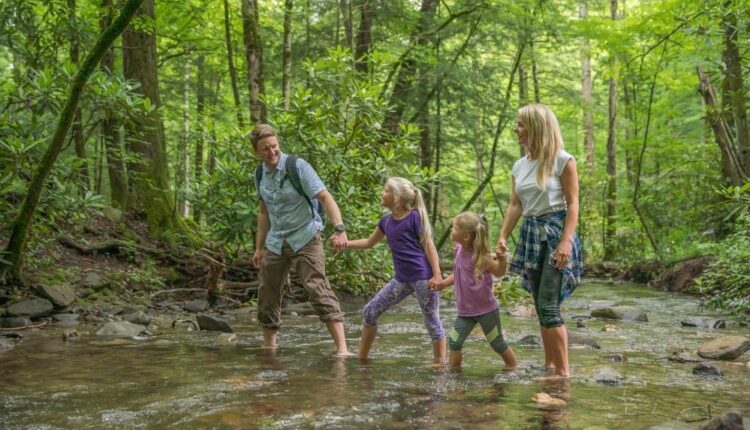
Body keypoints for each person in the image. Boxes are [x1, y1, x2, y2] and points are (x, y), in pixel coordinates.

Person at [496, 103, 583, 378]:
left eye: (521, 125)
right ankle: (549, 366)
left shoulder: (562, 160)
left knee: (548, 304)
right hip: (531, 234)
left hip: (556, 233)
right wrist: (502, 236)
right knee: (538, 303)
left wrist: (566, 242)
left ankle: (564, 374)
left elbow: (573, 203)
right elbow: (515, 205)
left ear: (537, 128)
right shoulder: (519, 165)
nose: (516, 129)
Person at [251, 124, 350, 356]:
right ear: (256, 151)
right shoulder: (259, 174)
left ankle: (343, 350)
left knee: (317, 287)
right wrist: (258, 248)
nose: (271, 152)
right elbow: (264, 212)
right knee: (267, 292)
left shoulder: (297, 167)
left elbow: (325, 197)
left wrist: (340, 229)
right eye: (265, 149)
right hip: (277, 241)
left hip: (305, 236)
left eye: (274, 146)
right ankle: (270, 348)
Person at [343, 177, 445, 363]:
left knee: (431, 321)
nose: (382, 193)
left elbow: (429, 246)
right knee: (370, 311)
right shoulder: (386, 221)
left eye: (386, 190)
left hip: (423, 278)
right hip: (402, 279)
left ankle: (440, 365)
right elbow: (368, 242)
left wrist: (437, 275)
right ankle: (362, 358)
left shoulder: (415, 217)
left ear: (396, 198)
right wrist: (345, 244)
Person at [430, 212, 518, 372]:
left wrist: (502, 259)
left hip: (486, 311)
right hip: (465, 312)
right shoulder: (458, 250)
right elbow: (458, 273)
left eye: (455, 227)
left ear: (466, 237)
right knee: (455, 342)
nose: (451, 229)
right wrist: (442, 284)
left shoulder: (482, 257)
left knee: (497, 343)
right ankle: (454, 375)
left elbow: (499, 272)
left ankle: (513, 367)